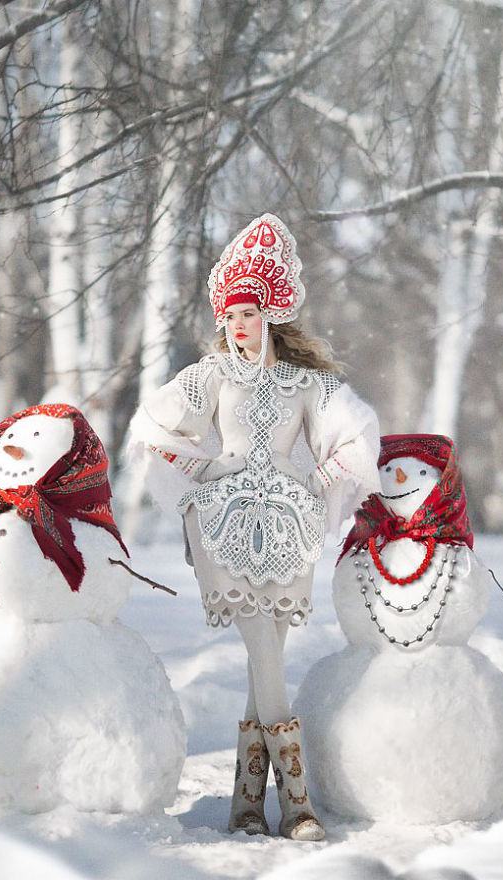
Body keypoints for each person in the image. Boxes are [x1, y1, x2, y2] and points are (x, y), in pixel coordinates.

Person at [128, 213, 380, 840]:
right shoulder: (211, 375)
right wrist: (205, 468)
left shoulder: (308, 383)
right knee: (264, 651)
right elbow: (151, 427)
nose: (236, 326)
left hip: (293, 528)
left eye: (248, 314)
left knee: (265, 657)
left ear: (270, 314)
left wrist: (318, 484)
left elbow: (354, 434)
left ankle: (247, 800)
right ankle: (297, 804)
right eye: (229, 316)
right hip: (223, 521)